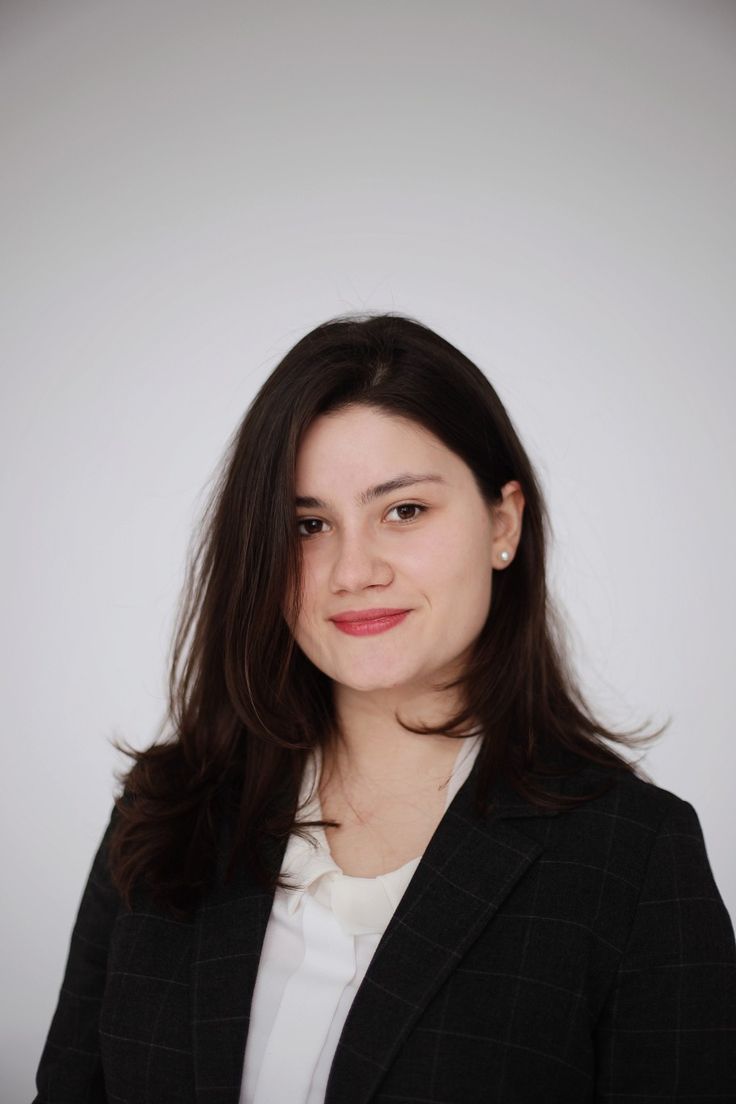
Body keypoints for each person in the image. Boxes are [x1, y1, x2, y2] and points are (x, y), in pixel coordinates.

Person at [34, 313, 736, 1103]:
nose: (352, 569)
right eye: (308, 525)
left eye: (403, 511)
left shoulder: (634, 858)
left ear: (502, 524)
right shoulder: (164, 810)